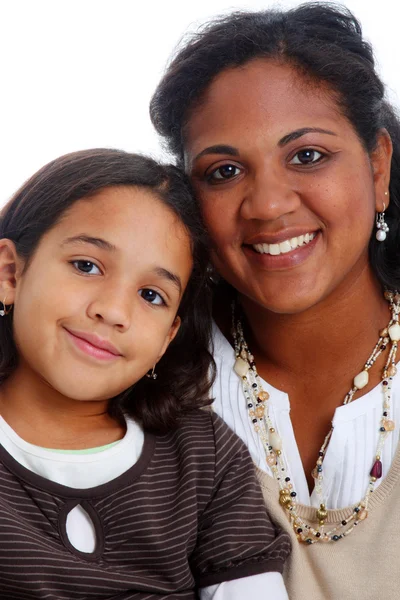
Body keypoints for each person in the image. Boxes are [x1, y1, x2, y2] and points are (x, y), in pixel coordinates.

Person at [150, 3, 400, 598]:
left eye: (307, 156)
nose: (265, 205)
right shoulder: (152, 376)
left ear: (378, 167)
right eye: (224, 170)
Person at [0, 149, 291, 599]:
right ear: (10, 272)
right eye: (86, 266)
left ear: (168, 336)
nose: (114, 311)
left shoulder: (202, 457)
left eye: (152, 295)